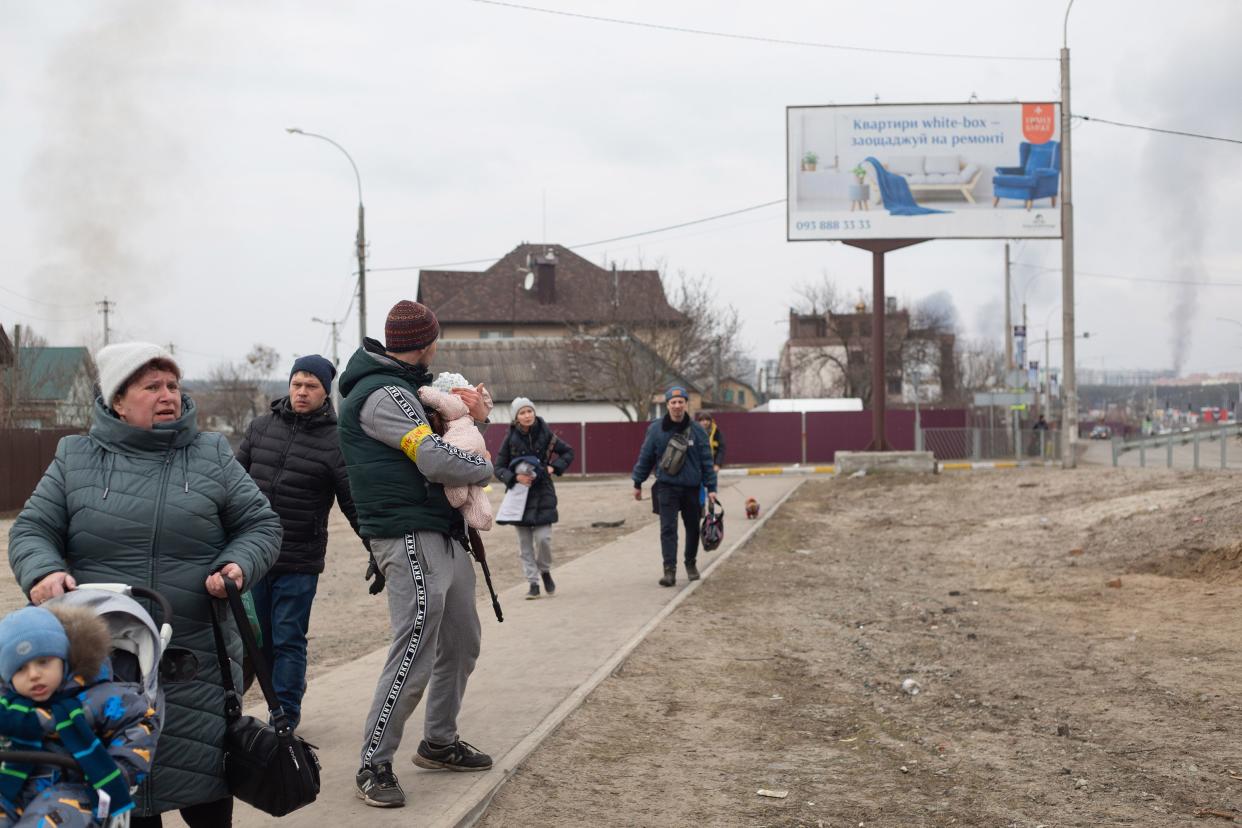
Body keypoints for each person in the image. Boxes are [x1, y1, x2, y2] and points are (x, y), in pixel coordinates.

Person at [8, 342, 282, 827]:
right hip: (104, 656)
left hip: (197, 653)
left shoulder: (211, 453)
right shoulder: (75, 457)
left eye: (173, 385)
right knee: (123, 788)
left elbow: (260, 525)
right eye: (151, 386)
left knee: (208, 790)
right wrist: (44, 571)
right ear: (117, 399)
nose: (168, 395)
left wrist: (238, 565)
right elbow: (32, 530)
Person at [337, 300, 496, 809]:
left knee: (462, 640)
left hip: (440, 531)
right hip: (407, 533)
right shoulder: (383, 393)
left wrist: (473, 429)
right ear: (427, 341)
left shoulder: (407, 387)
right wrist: (484, 465)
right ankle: (373, 762)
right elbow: (433, 458)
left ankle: (439, 742)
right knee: (414, 650)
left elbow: (446, 448)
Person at [236, 353, 363, 730]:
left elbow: (353, 502)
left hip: (299, 558)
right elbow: (231, 484)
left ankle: (285, 715)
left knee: (289, 637)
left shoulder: (336, 441)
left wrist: (378, 549)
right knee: (258, 641)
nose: (302, 392)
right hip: (254, 557)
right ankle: (274, 701)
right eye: (296, 384)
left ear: (326, 393)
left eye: (311, 386)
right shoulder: (260, 428)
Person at [0, 604, 158, 827]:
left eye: (43, 662)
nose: (34, 675)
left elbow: (141, 721)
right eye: (20, 669)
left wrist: (120, 768)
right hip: (11, 785)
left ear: (65, 659)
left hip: (78, 790)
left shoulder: (98, 698)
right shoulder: (7, 706)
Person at [631, 385, 718, 587]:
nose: (677, 406)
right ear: (667, 404)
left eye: (681, 402)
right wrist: (638, 482)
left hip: (691, 489)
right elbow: (646, 457)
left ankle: (691, 563)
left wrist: (711, 488)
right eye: (673, 402)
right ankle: (669, 571)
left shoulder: (698, 431)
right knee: (668, 529)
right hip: (667, 488)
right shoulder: (656, 429)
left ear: (686, 404)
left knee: (693, 528)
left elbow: (707, 460)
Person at [494, 397, 575, 599]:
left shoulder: (547, 434)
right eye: (522, 413)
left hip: (543, 492)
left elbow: (568, 452)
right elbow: (498, 468)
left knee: (544, 539)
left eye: (529, 411)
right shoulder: (509, 440)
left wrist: (554, 467)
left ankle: (545, 570)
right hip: (519, 497)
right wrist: (515, 477)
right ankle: (533, 583)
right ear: (516, 417)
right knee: (525, 544)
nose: (527, 415)